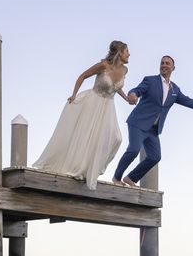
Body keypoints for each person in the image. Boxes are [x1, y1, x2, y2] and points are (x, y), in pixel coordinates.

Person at [112, 55, 193, 187]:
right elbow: (137, 90)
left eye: (167, 63)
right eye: (162, 63)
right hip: (138, 122)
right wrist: (133, 94)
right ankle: (117, 178)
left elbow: (189, 101)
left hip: (153, 129)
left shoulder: (175, 90)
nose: (164, 65)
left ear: (173, 68)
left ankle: (130, 178)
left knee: (155, 157)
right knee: (133, 150)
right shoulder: (150, 80)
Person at [33, 41, 132, 189]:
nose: (129, 54)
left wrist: (127, 99)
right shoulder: (103, 66)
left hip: (108, 107)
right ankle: (80, 168)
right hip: (93, 102)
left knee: (116, 138)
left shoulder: (124, 70)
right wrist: (73, 95)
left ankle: (94, 168)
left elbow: (115, 87)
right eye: (126, 51)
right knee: (87, 136)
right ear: (119, 53)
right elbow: (83, 76)